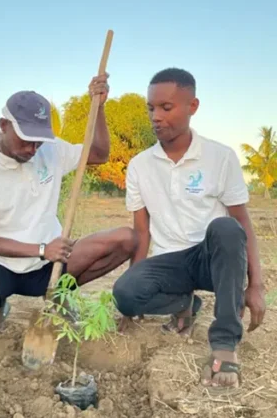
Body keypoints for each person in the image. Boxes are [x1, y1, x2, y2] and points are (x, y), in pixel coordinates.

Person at [0, 81, 138, 336]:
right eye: (26, 140)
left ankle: (58, 294)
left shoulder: (51, 150)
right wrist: (42, 250)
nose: (33, 149)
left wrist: (98, 107)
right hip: (1, 264)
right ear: (4, 125)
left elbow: (99, 154)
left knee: (126, 239)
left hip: (51, 263)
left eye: (39, 142)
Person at [114, 68, 266, 389]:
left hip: (212, 259)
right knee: (124, 294)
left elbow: (242, 224)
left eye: (166, 107)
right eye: (151, 108)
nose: (156, 116)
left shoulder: (220, 157)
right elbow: (142, 231)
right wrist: (133, 289)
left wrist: (256, 285)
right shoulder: (140, 165)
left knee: (225, 227)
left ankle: (224, 344)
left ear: (192, 106)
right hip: (170, 262)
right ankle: (185, 304)